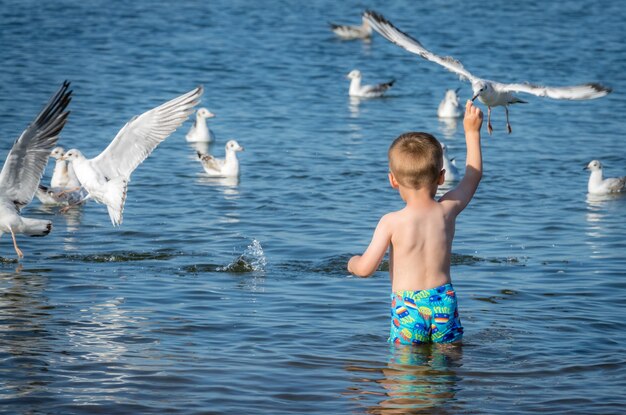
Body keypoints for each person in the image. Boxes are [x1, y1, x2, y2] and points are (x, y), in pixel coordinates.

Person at [347, 100, 483, 345]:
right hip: (444, 301)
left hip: (408, 307)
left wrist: (351, 263)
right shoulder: (447, 209)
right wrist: (471, 132)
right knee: (447, 363)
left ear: (392, 180)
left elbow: (366, 269)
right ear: (442, 177)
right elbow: (473, 176)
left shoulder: (391, 222)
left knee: (405, 372)